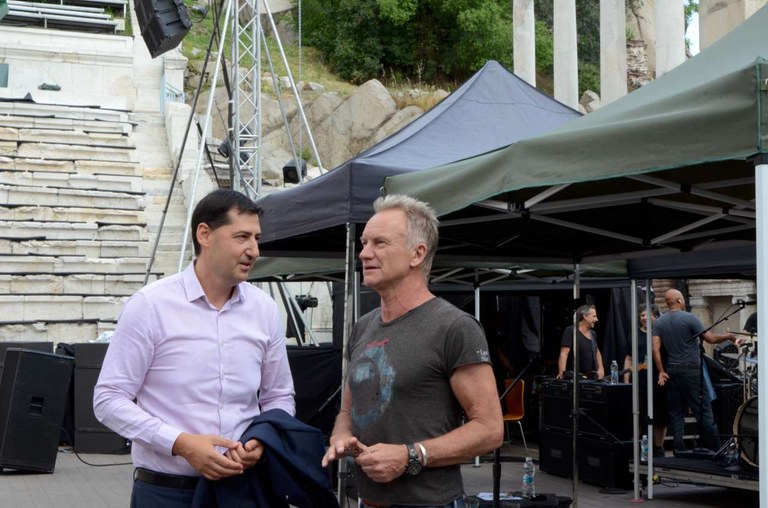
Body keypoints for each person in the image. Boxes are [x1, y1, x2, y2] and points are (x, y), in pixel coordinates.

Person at [94, 189, 296, 507]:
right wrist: (180, 443)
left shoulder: (265, 309)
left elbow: (279, 396)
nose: (254, 250)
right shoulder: (150, 305)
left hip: (244, 489)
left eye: (256, 238)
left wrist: (262, 438)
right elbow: (108, 400)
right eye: (241, 237)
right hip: (167, 493)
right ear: (205, 234)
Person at [321, 194, 503, 508]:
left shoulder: (454, 327)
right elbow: (348, 412)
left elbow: (490, 429)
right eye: (364, 243)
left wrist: (410, 456)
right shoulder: (363, 327)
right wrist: (340, 436)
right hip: (367, 502)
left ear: (417, 254)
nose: (364, 253)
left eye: (379, 243)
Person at [652, 289, 744, 453]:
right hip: (691, 371)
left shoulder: (660, 322)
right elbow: (710, 338)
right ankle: (717, 450)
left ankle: (679, 449)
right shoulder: (690, 318)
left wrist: (661, 371)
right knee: (703, 411)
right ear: (680, 301)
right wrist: (729, 336)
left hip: (671, 370)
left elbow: (655, 349)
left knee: (676, 412)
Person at [623, 305, 668, 457]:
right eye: (642, 315)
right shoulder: (634, 335)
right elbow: (629, 358)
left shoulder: (661, 333)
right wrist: (626, 380)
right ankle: (640, 447)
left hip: (659, 382)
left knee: (660, 417)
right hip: (640, 382)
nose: (644, 318)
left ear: (655, 316)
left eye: (647, 315)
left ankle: (659, 447)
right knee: (640, 415)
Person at [557, 304, 604, 380]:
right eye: (594, 316)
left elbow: (597, 352)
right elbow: (564, 354)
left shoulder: (593, 334)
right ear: (585, 316)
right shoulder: (570, 331)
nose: (597, 319)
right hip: (575, 379)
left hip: (591, 379)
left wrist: (601, 369)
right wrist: (562, 373)